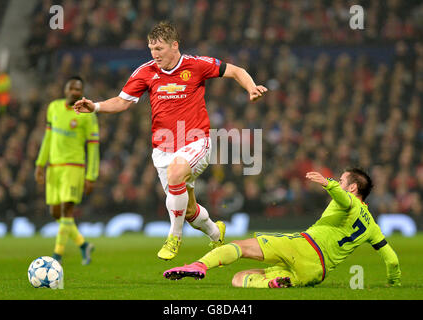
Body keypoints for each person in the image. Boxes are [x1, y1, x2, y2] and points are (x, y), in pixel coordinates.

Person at [73, 21, 268, 260]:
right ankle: (217, 234)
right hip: (163, 148)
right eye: (151, 49)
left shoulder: (196, 65)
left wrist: (251, 88)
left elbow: (236, 71)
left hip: (197, 141)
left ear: (175, 45)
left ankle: (174, 238)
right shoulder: (145, 72)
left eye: (160, 49)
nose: (155, 55)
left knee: (177, 174)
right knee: (188, 210)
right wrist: (95, 106)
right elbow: (122, 101)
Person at [163, 168, 402, 288]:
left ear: (351, 188)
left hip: (303, 246)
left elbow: (345, 200)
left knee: (240, 246)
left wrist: (328, 184)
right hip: (315, 273)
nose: (338, 182)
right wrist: (394, 283)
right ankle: (270, 284)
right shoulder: (372, 226)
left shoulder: (347, 201)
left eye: (341, 180)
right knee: (239, 279)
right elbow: (391, 260)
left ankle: (200, 265)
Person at [35, 76, 99, 265]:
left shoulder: (88, 114)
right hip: (54, 167)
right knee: (55, 213)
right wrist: (40, 164)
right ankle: (83, 245)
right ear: (65, 90)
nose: (74, 92)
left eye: (78, 89)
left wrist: (91, 176)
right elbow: (47, 138)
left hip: (74, 167)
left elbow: (94, 147)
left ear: (82, 92)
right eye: (71, 88)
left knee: (67, 210)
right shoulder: (53, 107)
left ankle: (57, 256)